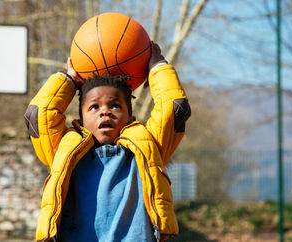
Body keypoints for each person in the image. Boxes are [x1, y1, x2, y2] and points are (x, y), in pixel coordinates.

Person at [24, 42, 191, 242]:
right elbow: (38, 115)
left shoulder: (148, 147)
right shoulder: (64, 149)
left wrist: (157, 67)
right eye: (94, 107)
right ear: (81, 118)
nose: (105, 111)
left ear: (130, 117)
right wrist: (68, 80)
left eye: (115, 105)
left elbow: (174, 108)